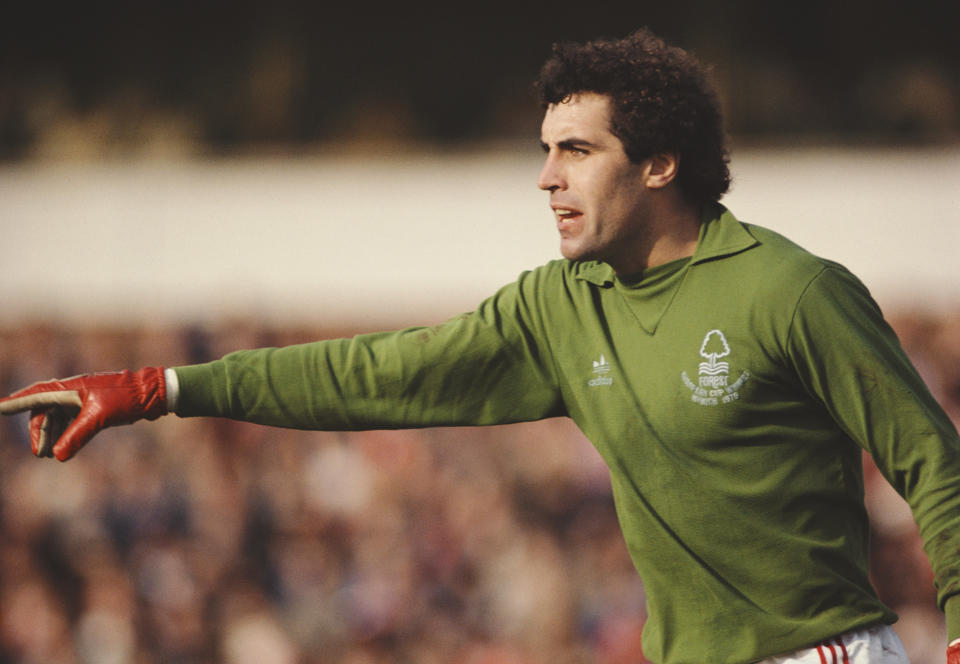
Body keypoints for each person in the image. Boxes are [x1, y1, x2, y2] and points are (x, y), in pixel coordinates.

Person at [2, 28, 959, 664]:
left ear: (662, 165)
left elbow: (935, 465)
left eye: (576, 151)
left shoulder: (791, 289)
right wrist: (162, 386)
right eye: (544, 151)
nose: (545, 178)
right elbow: (374, 373)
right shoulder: (558, 306)